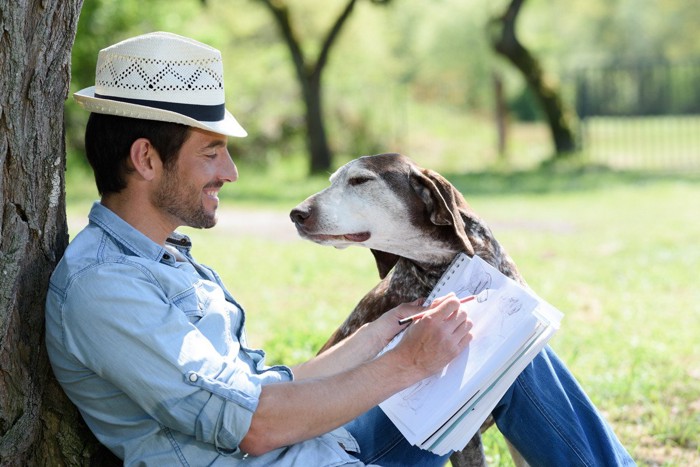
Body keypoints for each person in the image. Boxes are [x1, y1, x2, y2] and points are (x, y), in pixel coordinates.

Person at [45, 32, 634, 466]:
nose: (229, 172)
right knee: (493, 357)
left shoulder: (160, 259)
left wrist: (386, 333)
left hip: (326, 448)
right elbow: (254, 427)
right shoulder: (106, 289)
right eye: (210, 152)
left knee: (502, 347)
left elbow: (265, 390)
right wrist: (410, 363)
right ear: (146, 159)